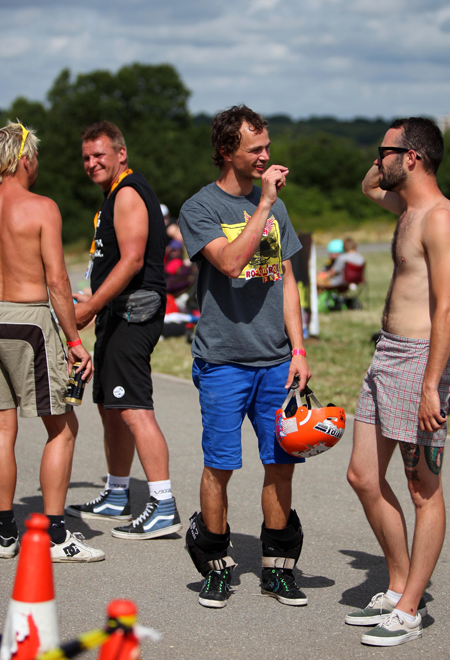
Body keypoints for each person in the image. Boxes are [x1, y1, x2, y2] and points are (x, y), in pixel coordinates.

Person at [179, 105, 311, 609]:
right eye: (254, 149)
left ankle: (278, 566)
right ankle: (215, 562)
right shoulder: (201, 208)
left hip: (275, 360)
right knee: (221, 465)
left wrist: (298, 350)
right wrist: (263, 207)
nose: (265, 157)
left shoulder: (273, 206)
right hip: (223, 361)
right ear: (225, 151)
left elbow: (288, 281)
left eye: (268, 147)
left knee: (281, 463)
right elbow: (233, 264)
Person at [346, 118, 450, 646]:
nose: (379, 159)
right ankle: (397, 586)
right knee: (362, 477)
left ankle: (411, 609)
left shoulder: (442, 219)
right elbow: (370, 184)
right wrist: (385, 155)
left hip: (422, 363)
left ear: (413, 157)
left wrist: (430, 385)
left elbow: (449, 310)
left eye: (387, 150)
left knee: (423, 489)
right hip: (386, 356)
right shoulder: (408, 209)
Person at [66, 121, 182, 541]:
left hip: (134, 314)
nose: (92, 162)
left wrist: (91, 306)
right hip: (115, 312)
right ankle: (117, 493)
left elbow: (133, 261)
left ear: (121, 154)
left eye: (99, 154)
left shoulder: (129, 193)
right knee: (110, 405)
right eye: (86, 157)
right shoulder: (113, 194)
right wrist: (93, 296)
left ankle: (163, 504)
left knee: (133, 407)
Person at [0, 122, 104, 562]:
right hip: (29, 321)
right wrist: (76, 342)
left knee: (3, 428)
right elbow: (58, 281)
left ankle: (4, 534)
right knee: (62, 427)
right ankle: (57, 536)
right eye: (36, 158)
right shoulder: (42, 207)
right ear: (26, 158)